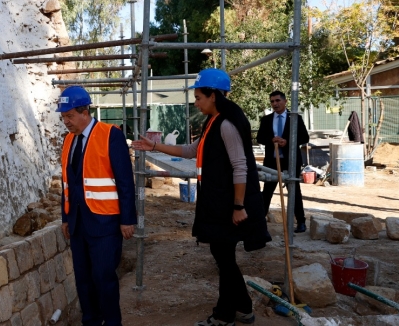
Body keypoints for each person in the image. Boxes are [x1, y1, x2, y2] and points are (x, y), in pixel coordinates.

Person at [130, 69, 271, 326]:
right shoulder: (212, 122)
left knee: (224, 257)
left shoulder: (227, 125)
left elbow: (240, 166)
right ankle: (244, 308)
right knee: (223, 257)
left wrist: (239, 206)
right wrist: (154, 146)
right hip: (216, 202)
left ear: (214, 96)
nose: (196, 103)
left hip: (229, 204)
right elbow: (191, 150)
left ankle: (224, 316)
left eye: (198, 97)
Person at [56, 86, 136, 326]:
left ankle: (112, 323)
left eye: (69, 116)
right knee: (83, 280)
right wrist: (65, 217)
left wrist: (127, 219)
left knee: (103, 278)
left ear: (84, 111)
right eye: (63, 117)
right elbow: (66, 182)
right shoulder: (69, 141)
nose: (66, 122)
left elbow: (125, 180)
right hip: (78, 223)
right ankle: (90, 321)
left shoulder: (111, 135)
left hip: (106, 222)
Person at [257, 90, 310, 233]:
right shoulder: (266, 120)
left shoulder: (295, 118)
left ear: (285, 101)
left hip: (291, 160)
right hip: (272, 161)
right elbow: (260, 138)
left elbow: (305, 138)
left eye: (277, 100)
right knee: (267, 191)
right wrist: (271, 140)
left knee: (294, 190)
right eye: (272, 101)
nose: (275, 104)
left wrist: (288, 141)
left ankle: (301, 222)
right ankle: (259, 223)